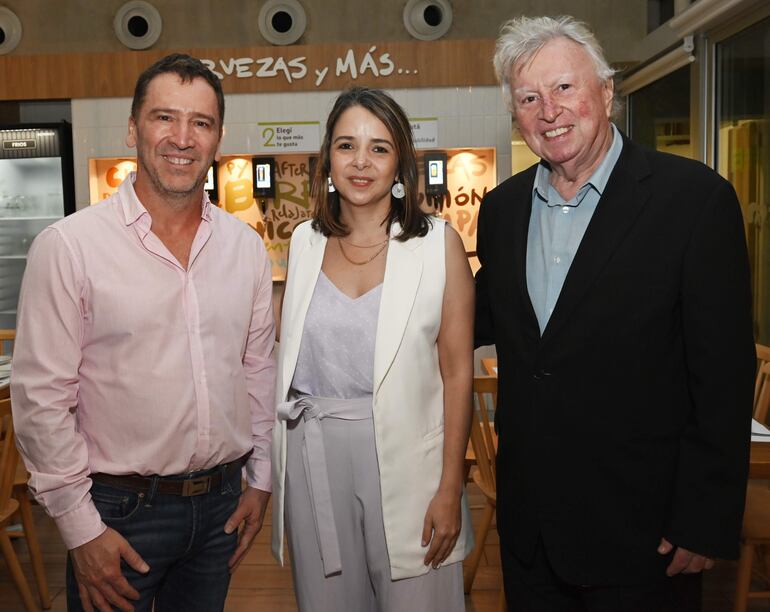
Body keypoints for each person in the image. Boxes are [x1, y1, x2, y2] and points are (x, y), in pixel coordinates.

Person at [474, 15, 755, 612]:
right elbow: (475, 319)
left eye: (564, 87)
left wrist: (704, 516)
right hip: (531, 535)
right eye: (529, 98)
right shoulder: (502, 211)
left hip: (645, 535)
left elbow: (724, 377)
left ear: (605, 93)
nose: (549, 110)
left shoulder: (694, 200)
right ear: (515, 115)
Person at [11, 53, 276, 612]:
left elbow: (257, 371)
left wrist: (261, 480)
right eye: (164, 118)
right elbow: (41, 399)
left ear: (217, 138)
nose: (182, 138)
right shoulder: (70, 247)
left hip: (222, 507)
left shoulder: (245, 248)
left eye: (200, 123)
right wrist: (80, 527)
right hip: (117, 510)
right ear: (133, 128)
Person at [270, 86, 474, 611]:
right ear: (328, 160)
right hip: (315, 456)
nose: (361, 162)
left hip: (409, 459)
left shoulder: (438, 245)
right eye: (346, 146)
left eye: (378, 148)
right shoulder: (304, 241)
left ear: (400, 163)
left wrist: (451, 485)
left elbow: (457, 373)